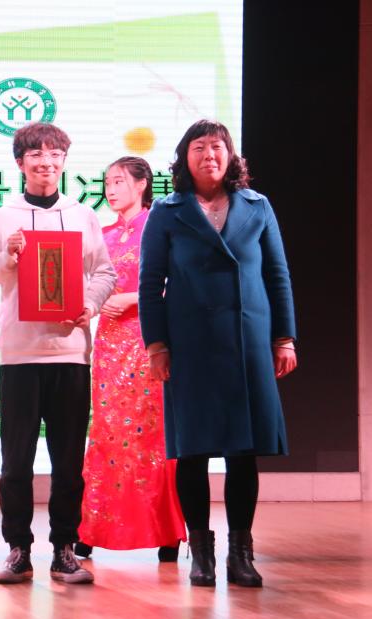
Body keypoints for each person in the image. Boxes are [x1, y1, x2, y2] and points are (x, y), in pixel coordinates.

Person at [138, 120, 297, 588]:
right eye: (199, 147)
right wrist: (157, 345)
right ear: (184, 158)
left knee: (243, 453)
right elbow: (150, 283)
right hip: (190, 343)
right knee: (192, 451)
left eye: (217, 147)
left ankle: (240, 554)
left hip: (248, 339)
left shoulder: (257, 206)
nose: (209, 155)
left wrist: (284, 338)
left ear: (230, 157)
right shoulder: (167, 211)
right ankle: (201, 553)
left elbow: (277, 274)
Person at [0, 122, 117, 585]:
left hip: (70, 355)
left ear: (64, 162)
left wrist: (89, 305)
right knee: (16, 463)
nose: (46, 162)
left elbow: (105, 272)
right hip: (19, 356)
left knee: (69, 463)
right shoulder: (2, 217)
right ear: (20, 163)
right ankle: (18, 550)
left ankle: (65, 550)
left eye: (54, 155)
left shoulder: (82, 215)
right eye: (36, 155)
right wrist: (6, 259)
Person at [74, 157, 187, 562]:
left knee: (151, 432)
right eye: (107, 182)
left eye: (119, 181)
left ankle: (165, 532)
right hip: (109, 342)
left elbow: (180, 282)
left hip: (148, 338)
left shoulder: (160, 227)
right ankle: (92, 528)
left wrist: (133, 298)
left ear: (142, 185)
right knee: (106, 430)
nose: (111, 188)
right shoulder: (102, 234)